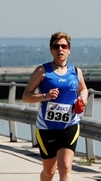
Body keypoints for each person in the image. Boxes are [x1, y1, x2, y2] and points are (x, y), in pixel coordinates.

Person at [22, 32, 89, 181]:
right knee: (49, 171)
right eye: (56, 46)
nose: (60, 50)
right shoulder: (42, 71)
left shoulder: (76, 72)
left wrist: (83, 98)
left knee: (65, 166)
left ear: (69, 49)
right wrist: (45, 96)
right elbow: (26, 96)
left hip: (70, 124)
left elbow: (83, 89)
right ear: (51, 50)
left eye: (64, 46)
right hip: (47, 127)